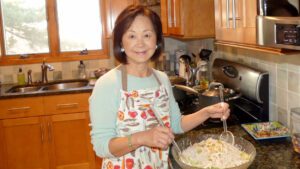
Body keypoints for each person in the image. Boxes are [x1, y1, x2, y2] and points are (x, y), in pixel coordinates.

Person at [89, 5, 230, 169]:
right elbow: (101, 147)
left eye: (147, 35)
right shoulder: (108, 84)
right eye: (132, 36)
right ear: (121, 41)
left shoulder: (161, 79)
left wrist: (206, 112)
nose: (140, 43)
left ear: (156, 41)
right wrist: (142, 138)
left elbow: (176, 124)